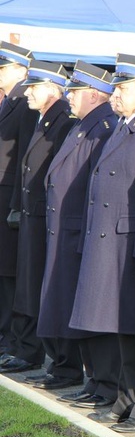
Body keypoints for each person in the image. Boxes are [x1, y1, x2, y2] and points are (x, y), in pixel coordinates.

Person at [69, 54, 135, 433]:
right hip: (114, 241)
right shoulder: (127, 124)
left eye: (122, 87)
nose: (115, 93)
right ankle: (127, 398)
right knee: (125, 330)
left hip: (134, 242)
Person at [36, 61, 119, 408]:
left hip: (82, 231)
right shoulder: (85, 125)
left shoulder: (104, 127)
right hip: (69, 230)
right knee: (75, 308)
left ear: (95, 95)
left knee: (91, 311)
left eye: (75, 91)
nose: (69, 97)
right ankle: (93, 379)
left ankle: (104, 382)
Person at [8, 61, 77, 386]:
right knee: (29, 286)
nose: (28, 92)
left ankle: (48, 357)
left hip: (46, 218)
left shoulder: (63, 120)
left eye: (34, 87)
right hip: (32, 215)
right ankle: (29, 350)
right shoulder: (44, 117)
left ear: (51, 88)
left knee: (43, 287)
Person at [0, 42, 37, 368]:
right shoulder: (10, 100)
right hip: (4, 201)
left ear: (21, 70)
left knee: (12, 274)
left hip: (12, 202)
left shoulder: (25, 101)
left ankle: (16, 340)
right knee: (4, 273)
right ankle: (6, 337)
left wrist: (16, 204)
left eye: (3, 66)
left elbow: (26, 156)